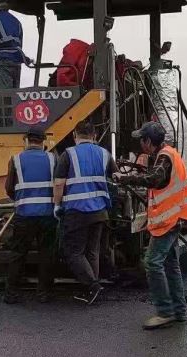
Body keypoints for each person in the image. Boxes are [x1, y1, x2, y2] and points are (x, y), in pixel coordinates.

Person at [113, 122, 187, 330]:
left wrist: (126, 178)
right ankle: (178, 311)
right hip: (175, 216)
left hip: (167, 220)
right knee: (171, 265)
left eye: (141, 140)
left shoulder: (164, 157)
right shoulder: (171, 154)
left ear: (148, 141)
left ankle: (164, 311)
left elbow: (155, 178)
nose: (140, 144)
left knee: (152, 262)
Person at [53, 119, 114, 305]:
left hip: (77, 211)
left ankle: (93, 287)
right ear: (94, 135)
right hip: (100, 211)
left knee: (73, 252)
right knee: (92, 252)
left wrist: (57, 205)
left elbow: (59, 183)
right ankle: (91, 292)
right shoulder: (104, 154)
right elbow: (116, 177)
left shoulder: (68, 154)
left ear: (74, 135)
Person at [0, 129, 58, 304]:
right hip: (48, 214)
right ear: (43, 142)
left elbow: (9, 187)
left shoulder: (16, 160)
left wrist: (21, 199)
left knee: (18, 253)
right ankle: (44, 293)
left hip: (24, 214)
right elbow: (59, 184)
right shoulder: (52, 159)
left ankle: (11, 294)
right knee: (47, 253)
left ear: (26, 141)